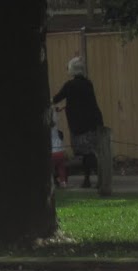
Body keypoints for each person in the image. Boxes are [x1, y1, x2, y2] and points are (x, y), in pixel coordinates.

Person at [52, 56, 104, 188]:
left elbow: (56, 98)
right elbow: (84, 102)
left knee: (86, 153)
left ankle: (95, 178)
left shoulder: (70, 85)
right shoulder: (88, 84)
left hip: (80, 125)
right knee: (90, 152)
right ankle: (92, 178)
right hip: (93, 122)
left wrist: (48, 103)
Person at [51, 122, 69, 187]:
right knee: (61, 168)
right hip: (60, 152)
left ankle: (53, 182)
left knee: (51, 169)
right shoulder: (59, 132)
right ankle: (63, 182)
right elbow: (62, 138)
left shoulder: (47, 132)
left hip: (52, 153)